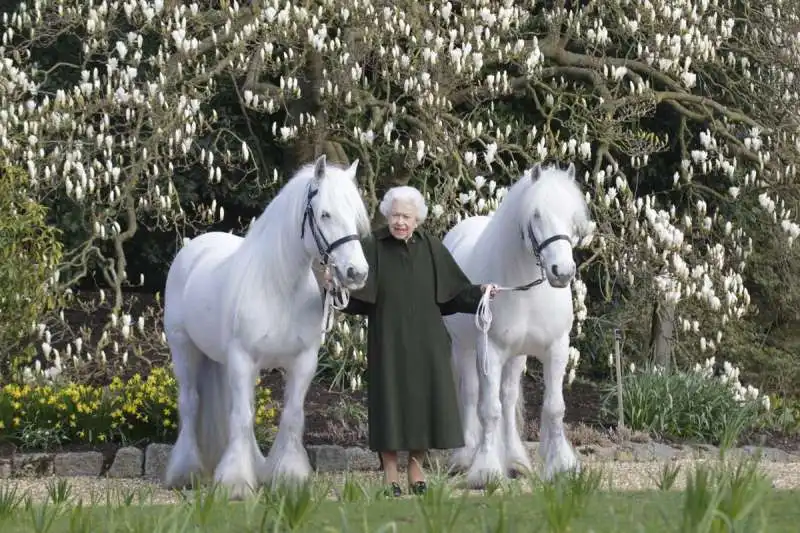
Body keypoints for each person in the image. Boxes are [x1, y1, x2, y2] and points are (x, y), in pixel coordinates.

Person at [325, 185, 497, 497]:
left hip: (427, 341)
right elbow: (357, 298)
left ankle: (416, 466)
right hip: (387, 340)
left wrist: (482, 292)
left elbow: (453, 294)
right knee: (388, 404)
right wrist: (335, 289)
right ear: (386, 217)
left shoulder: (431, 246)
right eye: (394, 215)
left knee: (424, 404)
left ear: (417, 219)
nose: (399, 221)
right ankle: (390, 471)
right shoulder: (372, 245)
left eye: (405, 216)